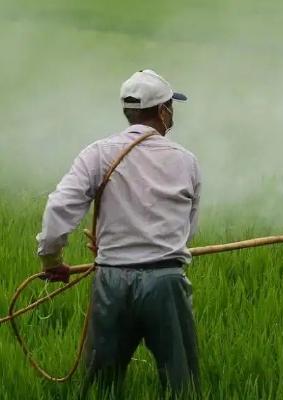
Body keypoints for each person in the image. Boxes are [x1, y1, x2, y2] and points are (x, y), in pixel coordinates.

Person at [36, 69, 202, 397]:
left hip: (111, 281)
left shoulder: (98, 153)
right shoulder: (186, 162)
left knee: (102, 386)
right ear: (162, 111)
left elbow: (59, 209)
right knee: (181, 385)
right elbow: (188, 231)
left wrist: (51, 260)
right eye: (171, 106)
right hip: (166, 282)